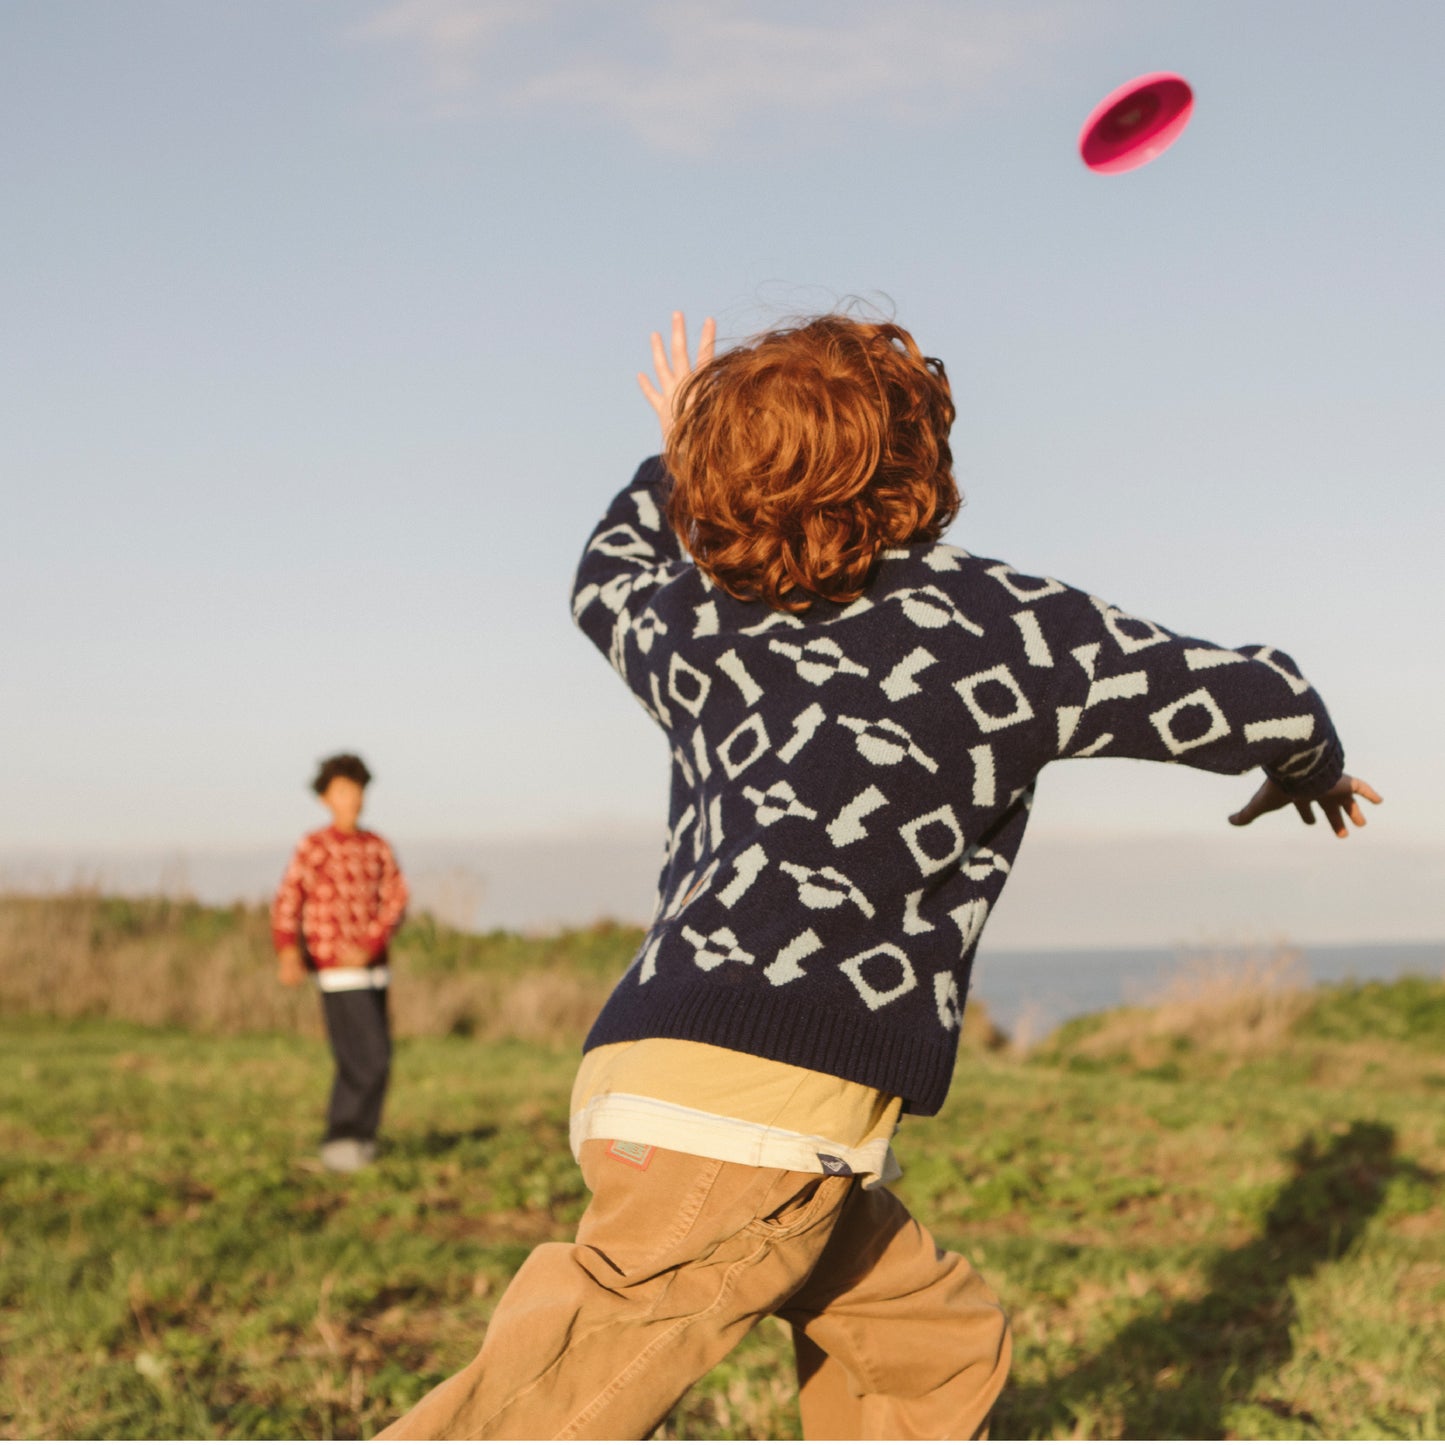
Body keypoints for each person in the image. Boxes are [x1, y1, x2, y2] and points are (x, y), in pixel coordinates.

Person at [377, 312, 1380, 1440]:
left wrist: (672, 454)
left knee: (929, 1342)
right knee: (555, 1396)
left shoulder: (703, 620)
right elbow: (1262, 699)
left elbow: (601, 576)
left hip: (653, 1065)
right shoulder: (1005, 626)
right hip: (757, 1107)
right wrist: (1309, 765)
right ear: (920, 464)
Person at [272, 752, 409, 1173]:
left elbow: (396, 899)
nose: (351, 799)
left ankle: (361, 1140)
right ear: (325, 798)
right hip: (335, 972)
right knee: (364, 1057)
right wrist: (288, 950)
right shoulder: (313, 847)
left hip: (373, 969)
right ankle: (342, 1137)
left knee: (375, 1056)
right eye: (342, 791)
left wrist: (371, 943)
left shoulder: (377, 846)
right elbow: (288, 899)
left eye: (357, 790)